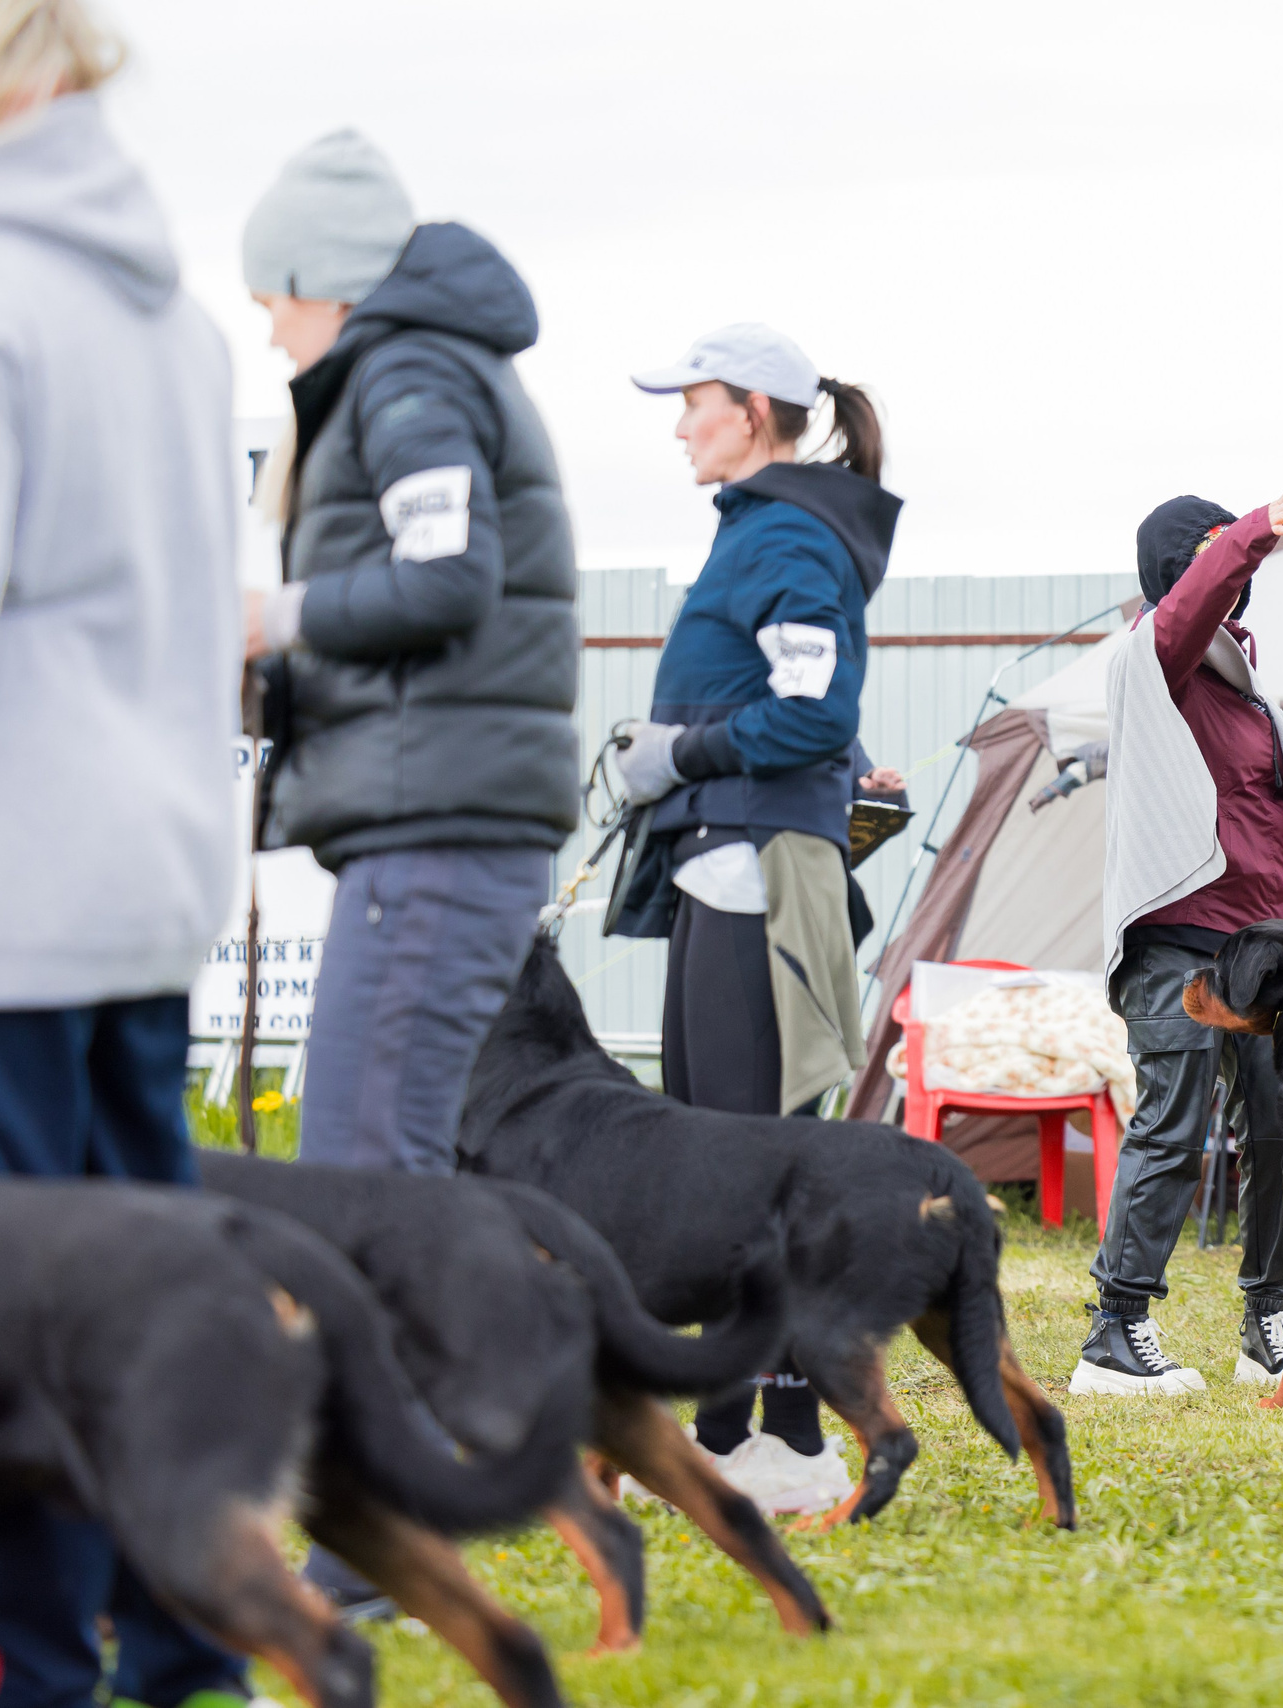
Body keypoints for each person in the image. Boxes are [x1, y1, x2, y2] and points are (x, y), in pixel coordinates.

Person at [0, 4, 252, 1702]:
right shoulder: (171, 321)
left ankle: (26, 1681)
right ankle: (186, 1667)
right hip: (133, 891)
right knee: (138, 1342)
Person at [240, 130, 580, 1179]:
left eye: (271, 309)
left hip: (436, 841)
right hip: (436, 831)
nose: (272, 340)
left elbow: (445, 577)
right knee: (387, 1166)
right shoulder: (425, 365)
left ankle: (427, 1349)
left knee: (366, 1175)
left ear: (319, 281)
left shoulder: (407, 375)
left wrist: (275, 618)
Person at [607, 322, 899, 1516]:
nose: (679, 422)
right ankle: (728, 1423)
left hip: (757, 876)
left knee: (755, 1166)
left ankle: (793, 1433)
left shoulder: (787, 532)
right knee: (708, 1162)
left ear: (760, 413)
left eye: (696, 402)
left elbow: (813, 716)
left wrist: (678, 751)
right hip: (713, 871)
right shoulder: (757, 532)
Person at [1076, 484, 1283, 1397]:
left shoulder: (1245, 685)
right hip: (1178, 943)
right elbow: (1191, 604)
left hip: (1262, 950)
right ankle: (1116, 1331)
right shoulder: (1153, 658)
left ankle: (1268, 1323)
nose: (1239, 580)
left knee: (1280, 1131)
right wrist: (1252, 532)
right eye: (1216, 560)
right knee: (1172, 1129)